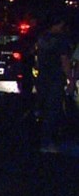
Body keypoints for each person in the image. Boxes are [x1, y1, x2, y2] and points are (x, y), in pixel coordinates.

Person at [35, 16, 73, 153]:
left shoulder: (42, 38)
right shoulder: (61, 40)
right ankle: (48, 143)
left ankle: (42, 141)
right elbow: (64, 61)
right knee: (53, 110)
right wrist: (71, 79)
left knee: (44, 109)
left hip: (43, 77)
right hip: (55, 78)